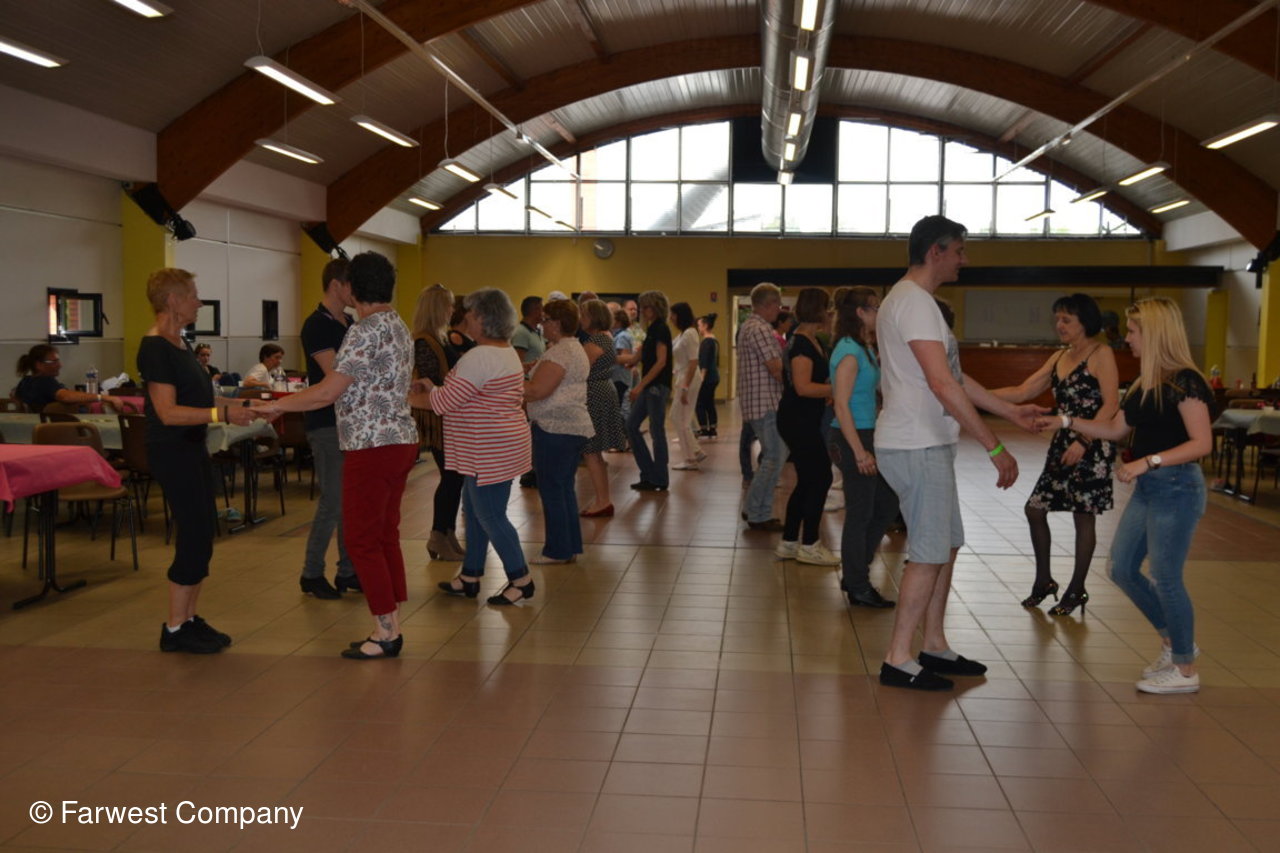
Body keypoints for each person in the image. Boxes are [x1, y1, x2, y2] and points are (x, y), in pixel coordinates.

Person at [875, 215, 1042, 691]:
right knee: (928, 553)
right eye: (960, 251)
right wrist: (995, 446)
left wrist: (1011, 411)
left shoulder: (916, 302)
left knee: (944, 545)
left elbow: (955, 377)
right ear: (936, 252)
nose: (964, 260)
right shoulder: (914, 302)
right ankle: (898, 657)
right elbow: (942, 384)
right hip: (916, 443)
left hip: (927, 441)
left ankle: (933, 644)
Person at [1038, 297, 1212, 694]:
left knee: (1166, 577)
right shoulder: (1144, 382)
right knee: (1121, 568)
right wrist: (1064, 420)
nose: (1127, 338)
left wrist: (1148, 461)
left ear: (1155, 333)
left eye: (1133, 331)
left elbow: (1202, 443)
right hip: (1151, 488)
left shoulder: (1185, 381)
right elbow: (1116, 430)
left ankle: (1185, 670)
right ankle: (1175, 643)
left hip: (1177, 487)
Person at [254, 252, 418, 660]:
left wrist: (278, 406)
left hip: (370, 443)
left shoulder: (363, 330)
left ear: (354, 288)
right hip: (399, 439)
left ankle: (385, 631)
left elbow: (328, 391)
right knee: (384, 534)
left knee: (362, 539)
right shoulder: (397, 325)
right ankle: (392, 619)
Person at [137, 268, 264, 654]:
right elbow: (167, 412)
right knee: (193, 534)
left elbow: (203, 400)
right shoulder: (155, 347)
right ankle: (175, 627)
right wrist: (222, 415)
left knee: (204, 531)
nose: (199, 301)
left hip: (192, 448)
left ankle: (189, 619)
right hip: (172, 451)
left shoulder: (181, 343)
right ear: (172, 300)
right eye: (193, 294)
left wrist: (246, 405)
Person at [992, 293, 1118, 616]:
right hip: (1063, 441)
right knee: (1035, 509)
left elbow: (1111, 405)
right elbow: (1023, 391)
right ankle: (1044, 581)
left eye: (1066, 320)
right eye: (1057, 319)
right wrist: (973, 396)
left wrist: (1085, 440)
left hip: (1092, 443)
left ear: (1085, 322)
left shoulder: (1101, 353)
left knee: (1083, 515)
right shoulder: (1060, 356)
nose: (1059, 325)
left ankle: (1076, 589)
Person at [416, 288, 535, 607]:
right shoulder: (503, 352)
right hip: (495, 446)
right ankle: (470, 575)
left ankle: (521, 580)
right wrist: (433, 388)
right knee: (474, 510)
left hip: (489, 449)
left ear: (483, 318)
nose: (465, 317)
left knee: (491, 516)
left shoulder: (480, 356)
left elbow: (444, 403)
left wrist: (407, 397)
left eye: (469, 312)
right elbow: (464, 394)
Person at [295, 258, 362, 599]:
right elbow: (336, 374)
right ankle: (311, 573)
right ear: (336, 285)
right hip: (325, 423)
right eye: (352, 286)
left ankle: (348, 570)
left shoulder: (349, 321)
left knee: (350, 502)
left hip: (350, 423)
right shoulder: (316, 325)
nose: (356, 293)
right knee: (333, 502)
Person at [828, 287, 898, 608]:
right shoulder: (848, 351)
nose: (879, 313)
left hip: (868, 432)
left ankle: (855, 571)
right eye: (875, 308)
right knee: (861, 512)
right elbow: (841, 405)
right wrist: (859, 451)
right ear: (860, 313)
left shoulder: (863, 347)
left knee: (885, 503)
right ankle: (857, 584)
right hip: (851, 436)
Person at [524, 299, 593, 563]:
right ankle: (569, 546)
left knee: (552, 489)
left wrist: (508, 384)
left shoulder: (560, 352)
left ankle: (557, 550)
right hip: (570, 427)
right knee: (563, 488)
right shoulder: (573, 348)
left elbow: (537, 391)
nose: (542, 325)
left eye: (546, 320)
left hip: (554, 427)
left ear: (557, 323)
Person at [775, 288, 838, 565]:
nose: (831, 312)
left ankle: (789, 541)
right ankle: (810, 543)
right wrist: (835, 389)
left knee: (809, 479)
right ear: (818, 309)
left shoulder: (812, 339)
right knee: (821, 477)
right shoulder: (800, 343)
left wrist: (826, 391)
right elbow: (802, 387)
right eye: (828, 307)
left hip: (804, 417)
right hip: (797, 419)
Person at [412, 284, 467, 563]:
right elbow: (432, 381)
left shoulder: (440, 338)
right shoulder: (424, 342)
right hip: (437, 419)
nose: (452, 310)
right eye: (448, 305)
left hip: (448, 416)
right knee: (451, 477)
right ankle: (438, 534)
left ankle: (447, 533)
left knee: (454, 478)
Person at [739, 282, 786, 531]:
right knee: (774, 456)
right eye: (778, 305)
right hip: (766, 402)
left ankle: (760, 511)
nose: (779, 310)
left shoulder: (751, 326)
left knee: (773, 456)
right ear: (769, 304)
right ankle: (755, 510)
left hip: (760, 402)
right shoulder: (760, 329)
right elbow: (775, 368)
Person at [580, 300, 626, 516]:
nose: (581, 319)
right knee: (594, 452)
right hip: (602, 391)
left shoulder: (597, 340)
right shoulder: (605, 337)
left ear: (594, 318)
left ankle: (602, 500)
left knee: (591, 450)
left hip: (595, 395)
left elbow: (579, 369)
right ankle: (602, 499)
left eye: (584, 315)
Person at [626, 290, 673, 492]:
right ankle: (649, 474)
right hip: (651, 386)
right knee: (631, 426)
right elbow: (637, 357)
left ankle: (659, 477)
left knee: (656, 431)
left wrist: (639, 386)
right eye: (642, 307)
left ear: (656, 308)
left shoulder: (661, 328)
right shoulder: (652, 329)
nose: (643, 312)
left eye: (646, 307)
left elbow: (661, 362)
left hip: (656, 387)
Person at [13, 344, 120, 413]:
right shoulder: (44, 381)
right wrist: (103, 397)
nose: (59, 365)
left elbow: (14, 396)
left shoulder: (25, 381)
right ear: (39, 365)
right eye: (54, 362)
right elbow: (65, 396)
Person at [669, 302, 704, 471]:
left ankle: (691, 458)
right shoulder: (683, 334)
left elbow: (693, 362)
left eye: (673, 315)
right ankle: (695, 452)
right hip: (683, 376)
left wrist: (684, 387)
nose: (671, 318)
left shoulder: (690, 333)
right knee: (679, 418)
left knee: (679, 418)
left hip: (688, 378)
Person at [695, 313, 720, 439]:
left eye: (699, 325)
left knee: (699, 403)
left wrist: (701, 379)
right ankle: (713, 428)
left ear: (705, 326)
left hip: (707, 378)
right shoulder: (714, 341)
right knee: (709, 402)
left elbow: (704, 363)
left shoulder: (706, 342)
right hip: (714, 377)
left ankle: (704, 428)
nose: (698, 328)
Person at [512, 295, 545, 369]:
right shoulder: (521, 332)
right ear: (535, 310)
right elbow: (517, 363)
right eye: (542, 309)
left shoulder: (537, 331)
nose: (544, 313)